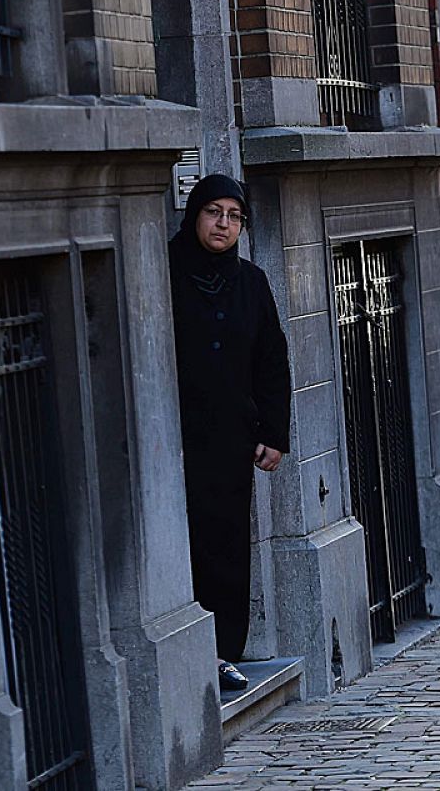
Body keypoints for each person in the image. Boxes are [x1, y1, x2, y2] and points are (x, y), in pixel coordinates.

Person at [168, 174, 291, 692]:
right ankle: (183, 653)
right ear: (194, 214)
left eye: (234, 216)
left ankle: (223, 654)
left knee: (227, 544)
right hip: (175, 438)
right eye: (213, 212)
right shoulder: (164, 271)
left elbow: (272, 362)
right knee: (187, 543)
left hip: (230, 439)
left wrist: (274, 433)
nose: (223, 224)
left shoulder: (251, 281)